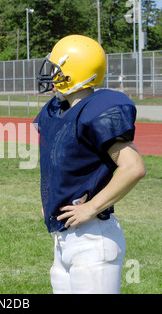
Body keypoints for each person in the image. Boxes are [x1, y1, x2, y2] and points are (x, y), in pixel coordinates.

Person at [35, 35, 146, 294]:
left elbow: (133, 166)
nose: (51, 74)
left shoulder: (98, 109)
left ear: (74, 72)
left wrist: (91, 208)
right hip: (64, 238)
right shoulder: (56, 110)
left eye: (57, 69)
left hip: (92, 238)